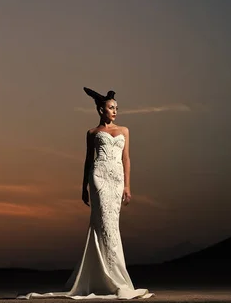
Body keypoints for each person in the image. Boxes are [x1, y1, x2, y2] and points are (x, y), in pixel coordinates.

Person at [18, 87, 153, 300]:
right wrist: (83, 187)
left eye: (116, 108)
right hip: (98, 178)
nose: (115, 111)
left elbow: (126, 159)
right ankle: (110, 278)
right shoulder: (92, 133)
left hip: (116, 180)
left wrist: (127, 185)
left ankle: (110, 277)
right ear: (101, 109)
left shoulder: (124, 131)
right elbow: (88, 160)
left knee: (111, 224)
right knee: (103, 223)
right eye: (111, 108)